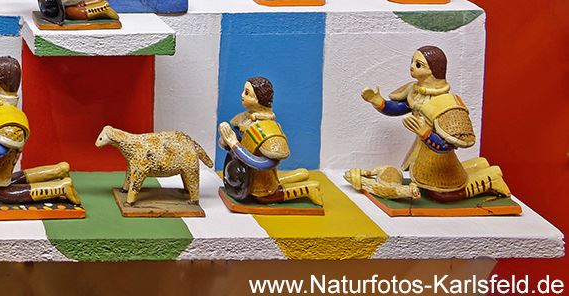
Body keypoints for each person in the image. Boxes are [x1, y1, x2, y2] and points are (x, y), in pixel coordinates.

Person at [346, 47, 510, 204]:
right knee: (425, 186)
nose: (411, 67)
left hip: (439, 159)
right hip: (424, 155)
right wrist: (379, 102)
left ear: (434, 70)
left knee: (441, 194)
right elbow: (400, 107)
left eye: (418, 65)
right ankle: (479, 165)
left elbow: (448, 145)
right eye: (412, 61)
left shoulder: (448, 104)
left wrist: (425, 132)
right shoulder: (415, 91)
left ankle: (490, 178)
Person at [0, 56, 79, 205]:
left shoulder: (11, 122)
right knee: (12, 179)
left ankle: (60, 187)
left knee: (4, 193)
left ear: (2, 80)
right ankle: (58, 170)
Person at [217, 76, 321, 208]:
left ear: (259, 99)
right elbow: (231, 144)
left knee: (264, 197)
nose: (242, 95)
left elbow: (267, 163)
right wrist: (225, 139)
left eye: (247, 93)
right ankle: (299, 174)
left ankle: (308, 188)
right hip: (249, 177)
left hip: (261, 182)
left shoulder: (269, 129)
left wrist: (234, 144)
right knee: (267, 184)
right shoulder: (243, 119)